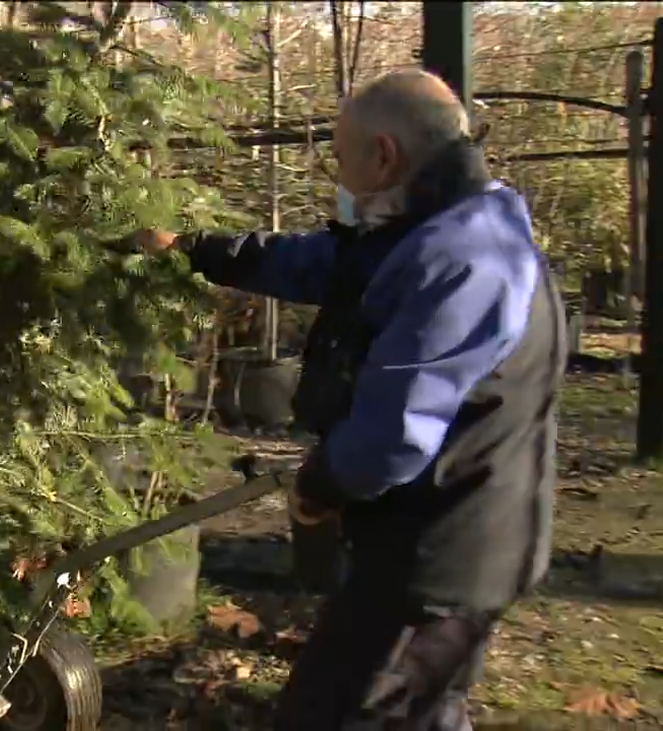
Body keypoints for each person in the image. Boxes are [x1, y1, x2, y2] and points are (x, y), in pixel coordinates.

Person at [139, 69, 566, 730]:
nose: (337, 173)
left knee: (344, 711)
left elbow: (395, 433)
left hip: (439, 556)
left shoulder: (465, 258)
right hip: (437, 536)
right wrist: (198, 252)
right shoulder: (436, 225)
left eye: (340, 155)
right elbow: (324, 265)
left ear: (385, 155)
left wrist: (321, 483)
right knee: (419, 711)